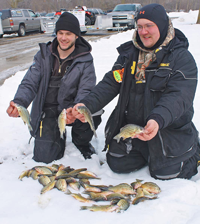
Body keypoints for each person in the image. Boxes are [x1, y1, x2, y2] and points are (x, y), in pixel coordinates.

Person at [72, 4, 200, 180]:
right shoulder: (129, 55)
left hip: (165, 129)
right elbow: (111, 82)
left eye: (149, 26)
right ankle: (146, 152)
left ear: (162, 26)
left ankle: (192, 147)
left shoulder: (181, 58)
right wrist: (85, 105)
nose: (143, 31)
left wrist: (157, 119)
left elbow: (178, 97)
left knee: (166, 174)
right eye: (139, 26)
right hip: (135, 130)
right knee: (117, 163)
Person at [6, 12, 102, 163]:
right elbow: (29, 82)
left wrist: (76, 109)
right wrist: (19, 103)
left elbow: (86, 89)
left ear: (77, 35)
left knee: (93, 110)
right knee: (44, 157)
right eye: (60, 33)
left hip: (71, 107)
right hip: (49, 108)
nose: (63, 38)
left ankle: (81, 141)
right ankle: (56, 133)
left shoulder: (85, 59)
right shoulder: (43, 55)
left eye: (68, 34)